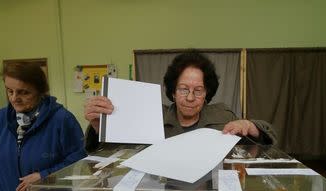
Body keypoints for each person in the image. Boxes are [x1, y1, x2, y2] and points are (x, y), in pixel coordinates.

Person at [84, 50, 276, 152]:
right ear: (173, 92)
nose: (191, 97)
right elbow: (116, 153)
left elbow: (263, 146)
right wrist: (99, 127)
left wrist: (250, 125)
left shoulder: (222, 115)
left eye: (198, 90)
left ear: (206, 94)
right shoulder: (151, 115)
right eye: (184, 89)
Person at [0, 63, 87, 191]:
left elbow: (80, 161)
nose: (14, 98)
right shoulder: (1, 118)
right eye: (9, 91)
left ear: (41, 91)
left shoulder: (62, 120)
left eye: (23, 92)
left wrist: (44, 176)